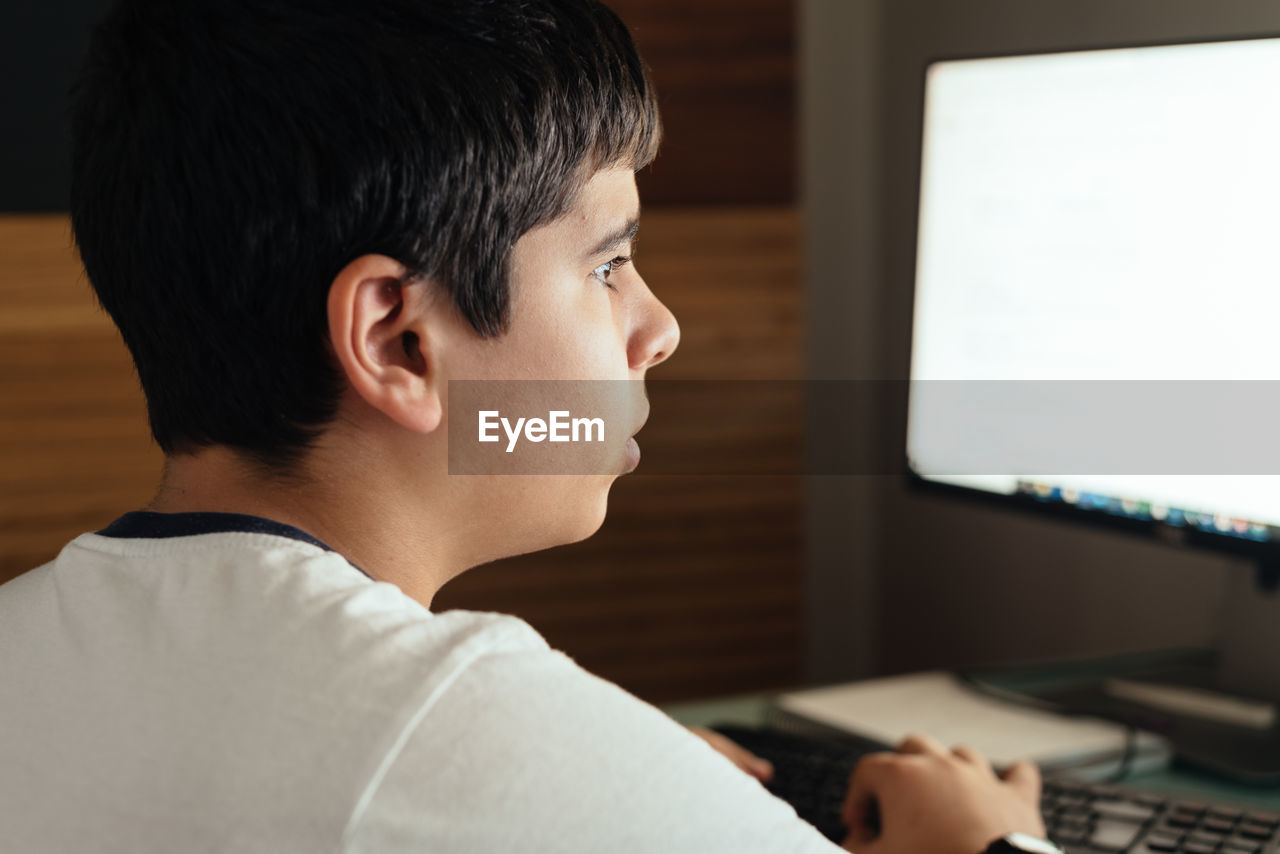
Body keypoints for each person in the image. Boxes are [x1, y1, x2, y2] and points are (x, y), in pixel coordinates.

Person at [0, 0, 1048, 851]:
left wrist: (624, 782)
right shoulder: (471, 729)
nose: (659, 327)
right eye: (604, 264)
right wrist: (989, 846)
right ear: (399, 341)